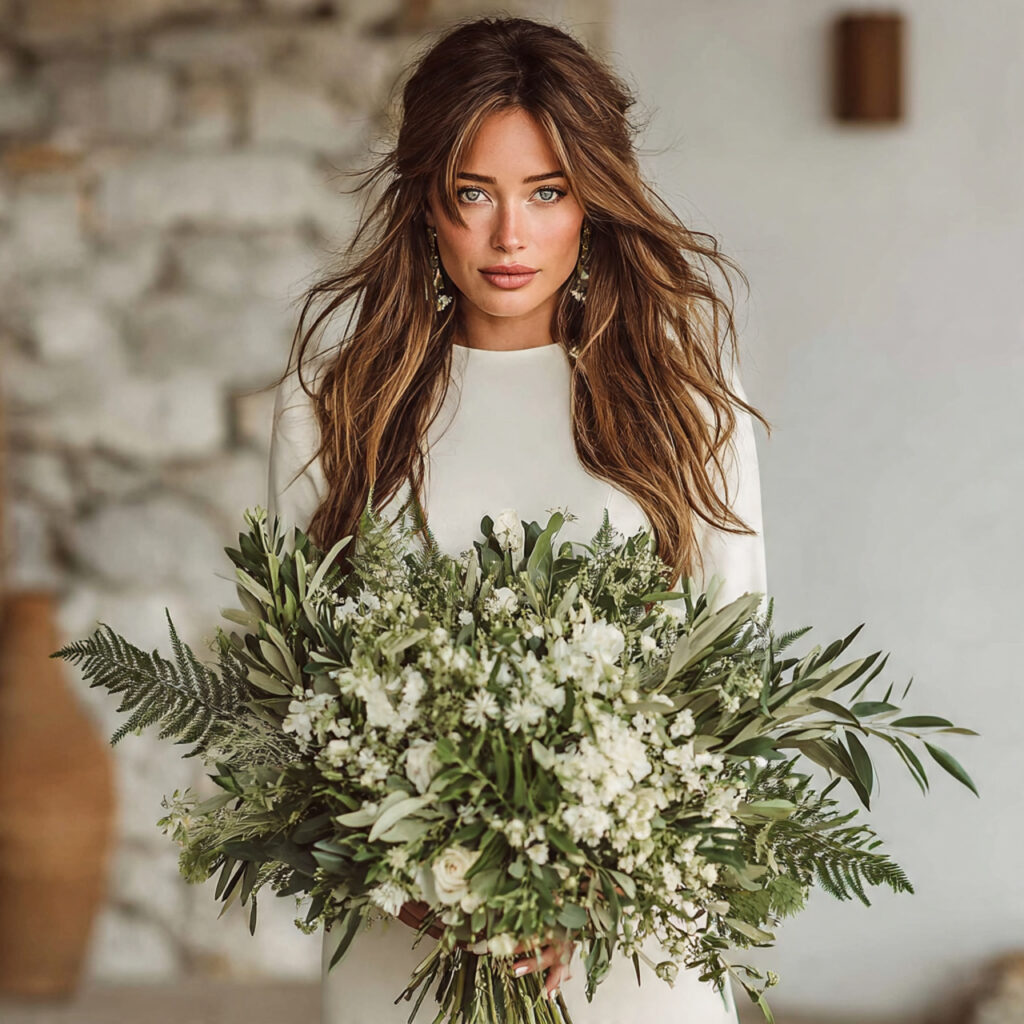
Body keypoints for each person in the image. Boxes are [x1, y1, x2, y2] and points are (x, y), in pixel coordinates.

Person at [266, 14, 770, 1024]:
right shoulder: (334, 404)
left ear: (592, 201)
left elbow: (734, 682)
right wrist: (427, 888)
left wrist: (590, 888)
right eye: (474, 193)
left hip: (631, 954)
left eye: (547, 192)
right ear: (426, 202)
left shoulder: (681, 399)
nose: (510, 236)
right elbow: (289, 692)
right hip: (406, 949)